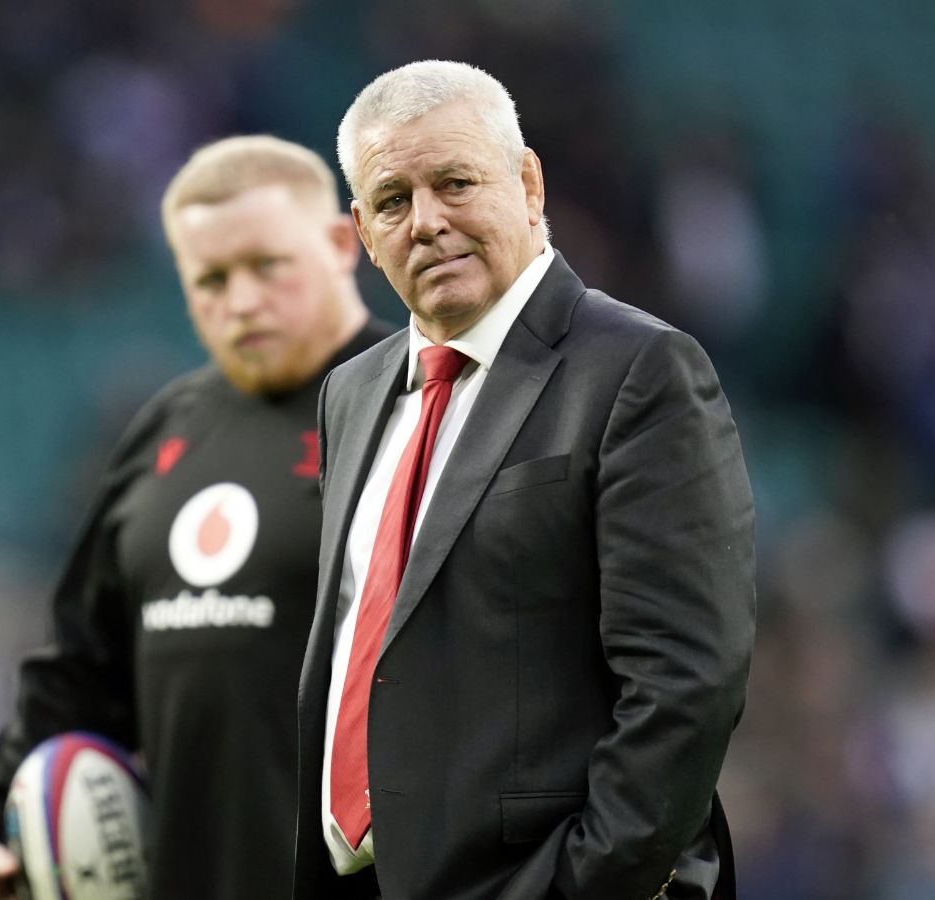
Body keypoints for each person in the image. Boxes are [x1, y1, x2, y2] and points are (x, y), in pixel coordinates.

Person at [295, 61, 757, 900]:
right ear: (362, 232)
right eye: (394, 201)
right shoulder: (351, 395)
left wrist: (579, 884)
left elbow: (687, 681)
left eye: (456, 183)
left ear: (528, 183)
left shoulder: (639, 370)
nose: (427, 222)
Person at [0, 134, 392, 899]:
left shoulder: (423, 406)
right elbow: (78, 668)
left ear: (339, 242)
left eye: (266, 266)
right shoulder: (162, 433)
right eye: (209, 278)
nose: (240, 300)